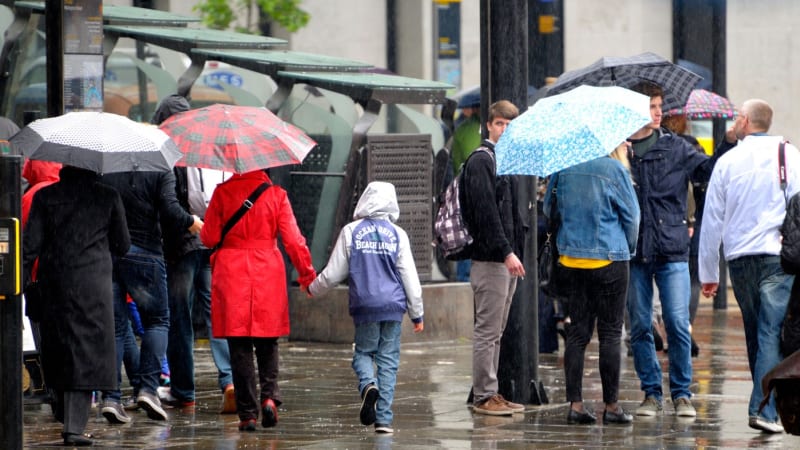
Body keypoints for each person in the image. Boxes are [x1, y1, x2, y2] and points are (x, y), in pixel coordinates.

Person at [626, 81, 727, 418]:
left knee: (677, 322)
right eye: (651, 107)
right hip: (634, 250)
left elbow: (709, 170)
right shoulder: (620, 151)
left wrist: (728, 143)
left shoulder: (676, 146)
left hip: (671, 247)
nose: (658, 113)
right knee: (640, 325)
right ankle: (651, 393)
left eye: (659, 106)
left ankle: (682, 393)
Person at [699, 99, 799, 434]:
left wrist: (709, 272)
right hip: (776, 256)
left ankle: (763, 406)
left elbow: (711, 219)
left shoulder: (728, 161)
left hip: (740, 258)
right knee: (769, 331)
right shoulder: (790, 155)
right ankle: (763, 410)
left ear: (744, 120)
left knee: (757, 330)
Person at [200, 168, 316, 431]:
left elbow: (209, 238)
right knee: (267, 339)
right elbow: (294, 240)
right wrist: (307, 275)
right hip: (267, 270)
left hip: (232, 272)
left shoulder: (222, 193)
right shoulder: (276, 194)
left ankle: (248, 414)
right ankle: (269, 397)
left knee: (238, 344)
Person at [23, 165, 131, 446]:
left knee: (58, 345)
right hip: (93, 284)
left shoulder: (46, 197)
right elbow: (123, 245)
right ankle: (73, 426)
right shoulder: (108, 196)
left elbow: (30, 245)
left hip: (55, 281)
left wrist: (21, 281)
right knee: (86, 351)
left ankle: (63, 411)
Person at [307, 181, 424, 434]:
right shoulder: (398, 235)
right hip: (393, 307)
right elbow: (410, 277)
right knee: (388, 360)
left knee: (363, 353)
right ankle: (384, 420)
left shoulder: (351, 231)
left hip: (365, 305)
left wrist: (312, 289)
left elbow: (333, 274)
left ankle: (368, 385)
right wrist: (417, 313)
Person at [152, 95, 237, 413]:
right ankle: (229, 380)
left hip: (182, 245)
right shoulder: (208, 147)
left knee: (180, 318)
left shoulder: (169, 153)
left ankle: (183, 391)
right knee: (217, 314)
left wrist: (188, 223)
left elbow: (169, 204)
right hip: (212, 241)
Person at [99, 167, 203, 423]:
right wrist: (191, 221)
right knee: (157, 321)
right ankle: (147, 389)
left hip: (110, 254)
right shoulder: (159, 169)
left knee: (116, 327)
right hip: (146, 253)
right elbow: (170, 209)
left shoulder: (107, 169)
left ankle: (111, 397)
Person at [545, 142, 640, 425]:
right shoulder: (614, 169)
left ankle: (575, 405)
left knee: (577, 334)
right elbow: (632, 217)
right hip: (610, 258)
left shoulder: (563, 168)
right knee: (610, 333)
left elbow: (549, 208)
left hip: (572, 260)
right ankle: (611, 407)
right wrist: (628, 248)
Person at [460, 100, 526, 416]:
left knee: (496, 331)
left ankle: (490, 392)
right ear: (488, 125)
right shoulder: (481, 161)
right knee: (488, 331)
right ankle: (485, 395)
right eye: (500, 124)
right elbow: (486, 214)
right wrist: (507, 252)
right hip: (491, 260)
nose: (504, 130)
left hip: (503, 260)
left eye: (510, 125)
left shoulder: (504, 161)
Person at [661, 113, 705, 357]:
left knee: (666, 277)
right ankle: (685, 327)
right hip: (694, 223)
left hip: (671, 223)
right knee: (692, 279)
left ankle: (669, 329)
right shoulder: (693, 147)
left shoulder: (660, 146)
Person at [450, 99, 482, 282]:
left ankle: (464, 279)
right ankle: (466, 280)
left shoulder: (463, 129)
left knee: (466, 237)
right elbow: (475, 164)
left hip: (462, 187)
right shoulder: (474, 131)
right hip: (473, 191)